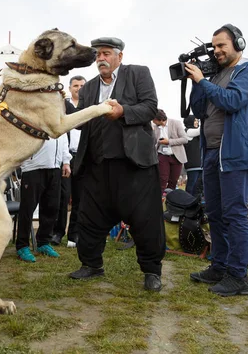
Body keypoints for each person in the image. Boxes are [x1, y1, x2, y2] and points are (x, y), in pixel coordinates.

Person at [68, 37, 165, 292]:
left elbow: (150, 107)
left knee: (145, 220)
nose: (101, 58)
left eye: (106, 53)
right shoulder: (88, 88)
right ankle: (91, 264)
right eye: (98, 54)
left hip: (133, 165)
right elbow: (81, 121)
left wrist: (123, 112)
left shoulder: (137, 74)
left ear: (119, 57)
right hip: (97, 165)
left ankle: (152, 270)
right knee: (89, 218)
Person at [186, 24, 248, 297]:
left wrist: (202, 81)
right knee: (216, 213)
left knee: (234, 214)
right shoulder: (217, 75)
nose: (217, 51)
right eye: (214, 46)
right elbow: (198, 110)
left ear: (239, 44)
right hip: (211, 152)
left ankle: (238, 276)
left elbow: (232, 101)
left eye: (222, 45)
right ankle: (219, 266)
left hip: (235, 153)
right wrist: (197, 80)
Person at [16, 136, 71, 262]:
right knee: (27, 209)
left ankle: (43, 242)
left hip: (55, 167)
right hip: (33, 168)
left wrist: (66, 161)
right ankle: (22, 246)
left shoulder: (59, 117)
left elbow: (62, 138)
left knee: (51, 207)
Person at [51, 75, 85, 248]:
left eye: (82, 85)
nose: (79, 88)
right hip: (67, 157)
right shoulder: (64, 105)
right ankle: (58, 232)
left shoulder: (90, 107)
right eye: (75, 85)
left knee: (79, 198)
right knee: (63, 196)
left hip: (84, 157)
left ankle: (74, 234)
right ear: (70, 88)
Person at [152, 109, 188, 191]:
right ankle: (159, 199)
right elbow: (154, 142)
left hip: (176, 156)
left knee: (173, 180)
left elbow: (185, 139)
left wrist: (168, 142)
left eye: (153, 120)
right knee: (162, 179)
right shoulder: (155, 128)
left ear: (160, 119)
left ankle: (170, 200)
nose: (153, 121)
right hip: (162, 156)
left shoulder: (176, 123)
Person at [183, 115, 203, 196]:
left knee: (199, 186)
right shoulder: (187, 131)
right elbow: (199, 130)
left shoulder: (198, 134)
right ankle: (187, 200)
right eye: (195, 120)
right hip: (192, 164)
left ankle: (196, 201)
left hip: (200, 163)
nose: (197, 122)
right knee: (192, 184)